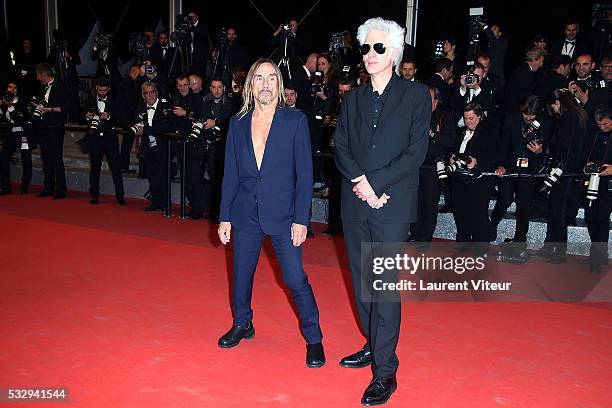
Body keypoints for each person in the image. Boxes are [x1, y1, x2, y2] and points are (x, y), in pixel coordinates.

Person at [334, 17, 430, 406]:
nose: (370, 55)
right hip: (356, 202)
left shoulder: (416, 95)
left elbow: (415, 152)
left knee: (383, 286)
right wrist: (362, 183)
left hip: (392, 205)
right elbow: (340, 145)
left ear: (393, 52)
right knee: (361, 285)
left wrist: (377, 185)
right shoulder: (353, 98)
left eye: (378, 48)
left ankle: (385, 372)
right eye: (365, 47)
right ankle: (374, 344)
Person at [217, 58, 325, 369]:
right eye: (260, 78)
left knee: (295, 278)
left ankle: (314, 337)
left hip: (284, 214)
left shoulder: (295, 121)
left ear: (278, 85)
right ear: (250, 85)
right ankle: (243, 323)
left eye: (271, 78)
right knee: (241, 276)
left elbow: (305, 176)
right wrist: (225, 216)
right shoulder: (237, 123)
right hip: (245, 212)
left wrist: (302, 219)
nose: (266, 84)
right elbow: (231, 174)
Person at [490, 95, 552, 247]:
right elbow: (503, 144)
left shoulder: (545, 122)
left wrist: (540, 151)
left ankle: (520, 240)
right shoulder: (512, 119)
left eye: (532, 115)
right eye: (526, 114)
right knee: (504, 199)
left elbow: (551, 147)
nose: (529, 117)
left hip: (529, 169)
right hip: (509, 166)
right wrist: (500, 165)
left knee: (524, 205)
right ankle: (491, 226)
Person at [538, 89, 589, 263]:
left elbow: (565, 146)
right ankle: (551, 246)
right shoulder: (576, 116)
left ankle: (558, 251)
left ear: (557, 103)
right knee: (555, 209)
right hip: (567, 169)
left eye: (552, 105)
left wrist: (557, 166)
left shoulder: (568, 118)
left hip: (564, 170)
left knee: (558, 211)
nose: (552, 109)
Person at [448, 102, 498, 251]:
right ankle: (462, 245)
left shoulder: (489, 131)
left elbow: (495, 154)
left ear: (479, 117)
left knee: (478, 217)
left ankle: (481, 249)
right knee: (460, 215)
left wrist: (478, 162)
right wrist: (452, 157)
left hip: (479, 182)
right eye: (466, 118)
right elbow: (454, 150)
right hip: (459, 180)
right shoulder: (461, 132)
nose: (468, 122)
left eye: (471, 118)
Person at [410, 86, 455, 245]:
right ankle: (415, 234)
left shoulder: (444, 115)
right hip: (416, 165)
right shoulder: (416, 115)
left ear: (436, 100)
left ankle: (425, 238)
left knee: (430, 204)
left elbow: (450, 141)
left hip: (433, 167)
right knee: (415, 203)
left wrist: (433, 134)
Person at [132, 82, 176, 212]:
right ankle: (155, 201)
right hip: (147, 146)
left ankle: (166, 204)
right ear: (143, 95)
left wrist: (146, 129)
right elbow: (136, 120)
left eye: (152, 92)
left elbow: (165, 127)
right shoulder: (140, 107)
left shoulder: (165, 107)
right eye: (147, 93)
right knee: (152, 175)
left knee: (164, 176)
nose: (150, 95)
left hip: (163, 146)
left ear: (156, 92)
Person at [82, 77, 125, 205]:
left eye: (104, 90)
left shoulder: (115, 100)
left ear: (108, 89)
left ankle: (120, 196)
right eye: (99, 90)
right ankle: (94, 195)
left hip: (110, 137)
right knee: (95, 168)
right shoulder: (89, 100)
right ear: (96, 88)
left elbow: (122, 119)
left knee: (116, 168)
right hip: (95, 138)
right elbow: (80, 116)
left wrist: (110, 116)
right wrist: (86, 116)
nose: (101, 92)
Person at [33, 63, 69, 199]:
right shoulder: (42, 88)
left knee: (56, 158)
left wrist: (50, 109)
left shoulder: (61, 87)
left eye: (38, 75)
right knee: (46, 158)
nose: (37, 78)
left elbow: (67, 108)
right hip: (43, 127)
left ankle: (60, 190)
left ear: (44, 74)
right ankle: (48, 187)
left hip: (55, 128)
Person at [583, 104, 611, 274]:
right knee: (590, 217)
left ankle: (597, 257)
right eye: (599, 125)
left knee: (601, 218)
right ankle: (600, 252)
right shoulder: (594, 133)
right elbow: (584, 154)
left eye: (606, 124)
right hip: (592, 182)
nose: (602, 127)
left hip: (609, 185)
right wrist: (586, 166)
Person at [0, 81, 34, 195]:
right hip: (10, 135)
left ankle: (24, 187)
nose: (12, 89)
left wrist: (10, 106)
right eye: (10, 87)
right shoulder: (3, 101)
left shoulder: (22, 102)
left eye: (14, 87)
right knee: (4, 158)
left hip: (23, 134)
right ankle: (5, 187)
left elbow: (21, 120)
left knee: (26, 160)